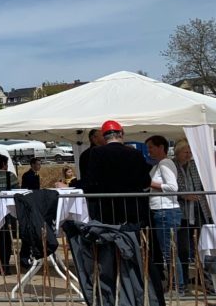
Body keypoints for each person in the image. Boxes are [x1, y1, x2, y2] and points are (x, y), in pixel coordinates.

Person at [81, 120, 151, 226]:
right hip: (132, 206)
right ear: (121, 133)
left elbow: (91, 180)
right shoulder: (135, 153)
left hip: (106, 206)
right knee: (131, 238)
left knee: (108, 237)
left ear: (104, 136)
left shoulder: (96, 153)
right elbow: (146, 182)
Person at [173, 139, 213, 292]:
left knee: (202, 247)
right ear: (178, 153)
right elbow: (172, 188)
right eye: (185, 152)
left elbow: (202, 186)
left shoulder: (195, 166)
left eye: (190, 152)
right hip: (182, 212)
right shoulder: (173, 165)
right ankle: (183, 283)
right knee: (183, 249)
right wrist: (184, 195)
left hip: (199, 211)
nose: (188, 155)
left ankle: (206, 281)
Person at [145, 135, 183, 293]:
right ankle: (175, 285)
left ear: (161, 147)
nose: (149, 152)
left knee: (170, 252)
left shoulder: (165, 163)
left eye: (151, 148)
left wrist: (149, 183)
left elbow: (173, 187)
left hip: (166, 211)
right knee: (168, 251)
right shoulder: (159, 165)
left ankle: (178, 287)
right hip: (162, 211)